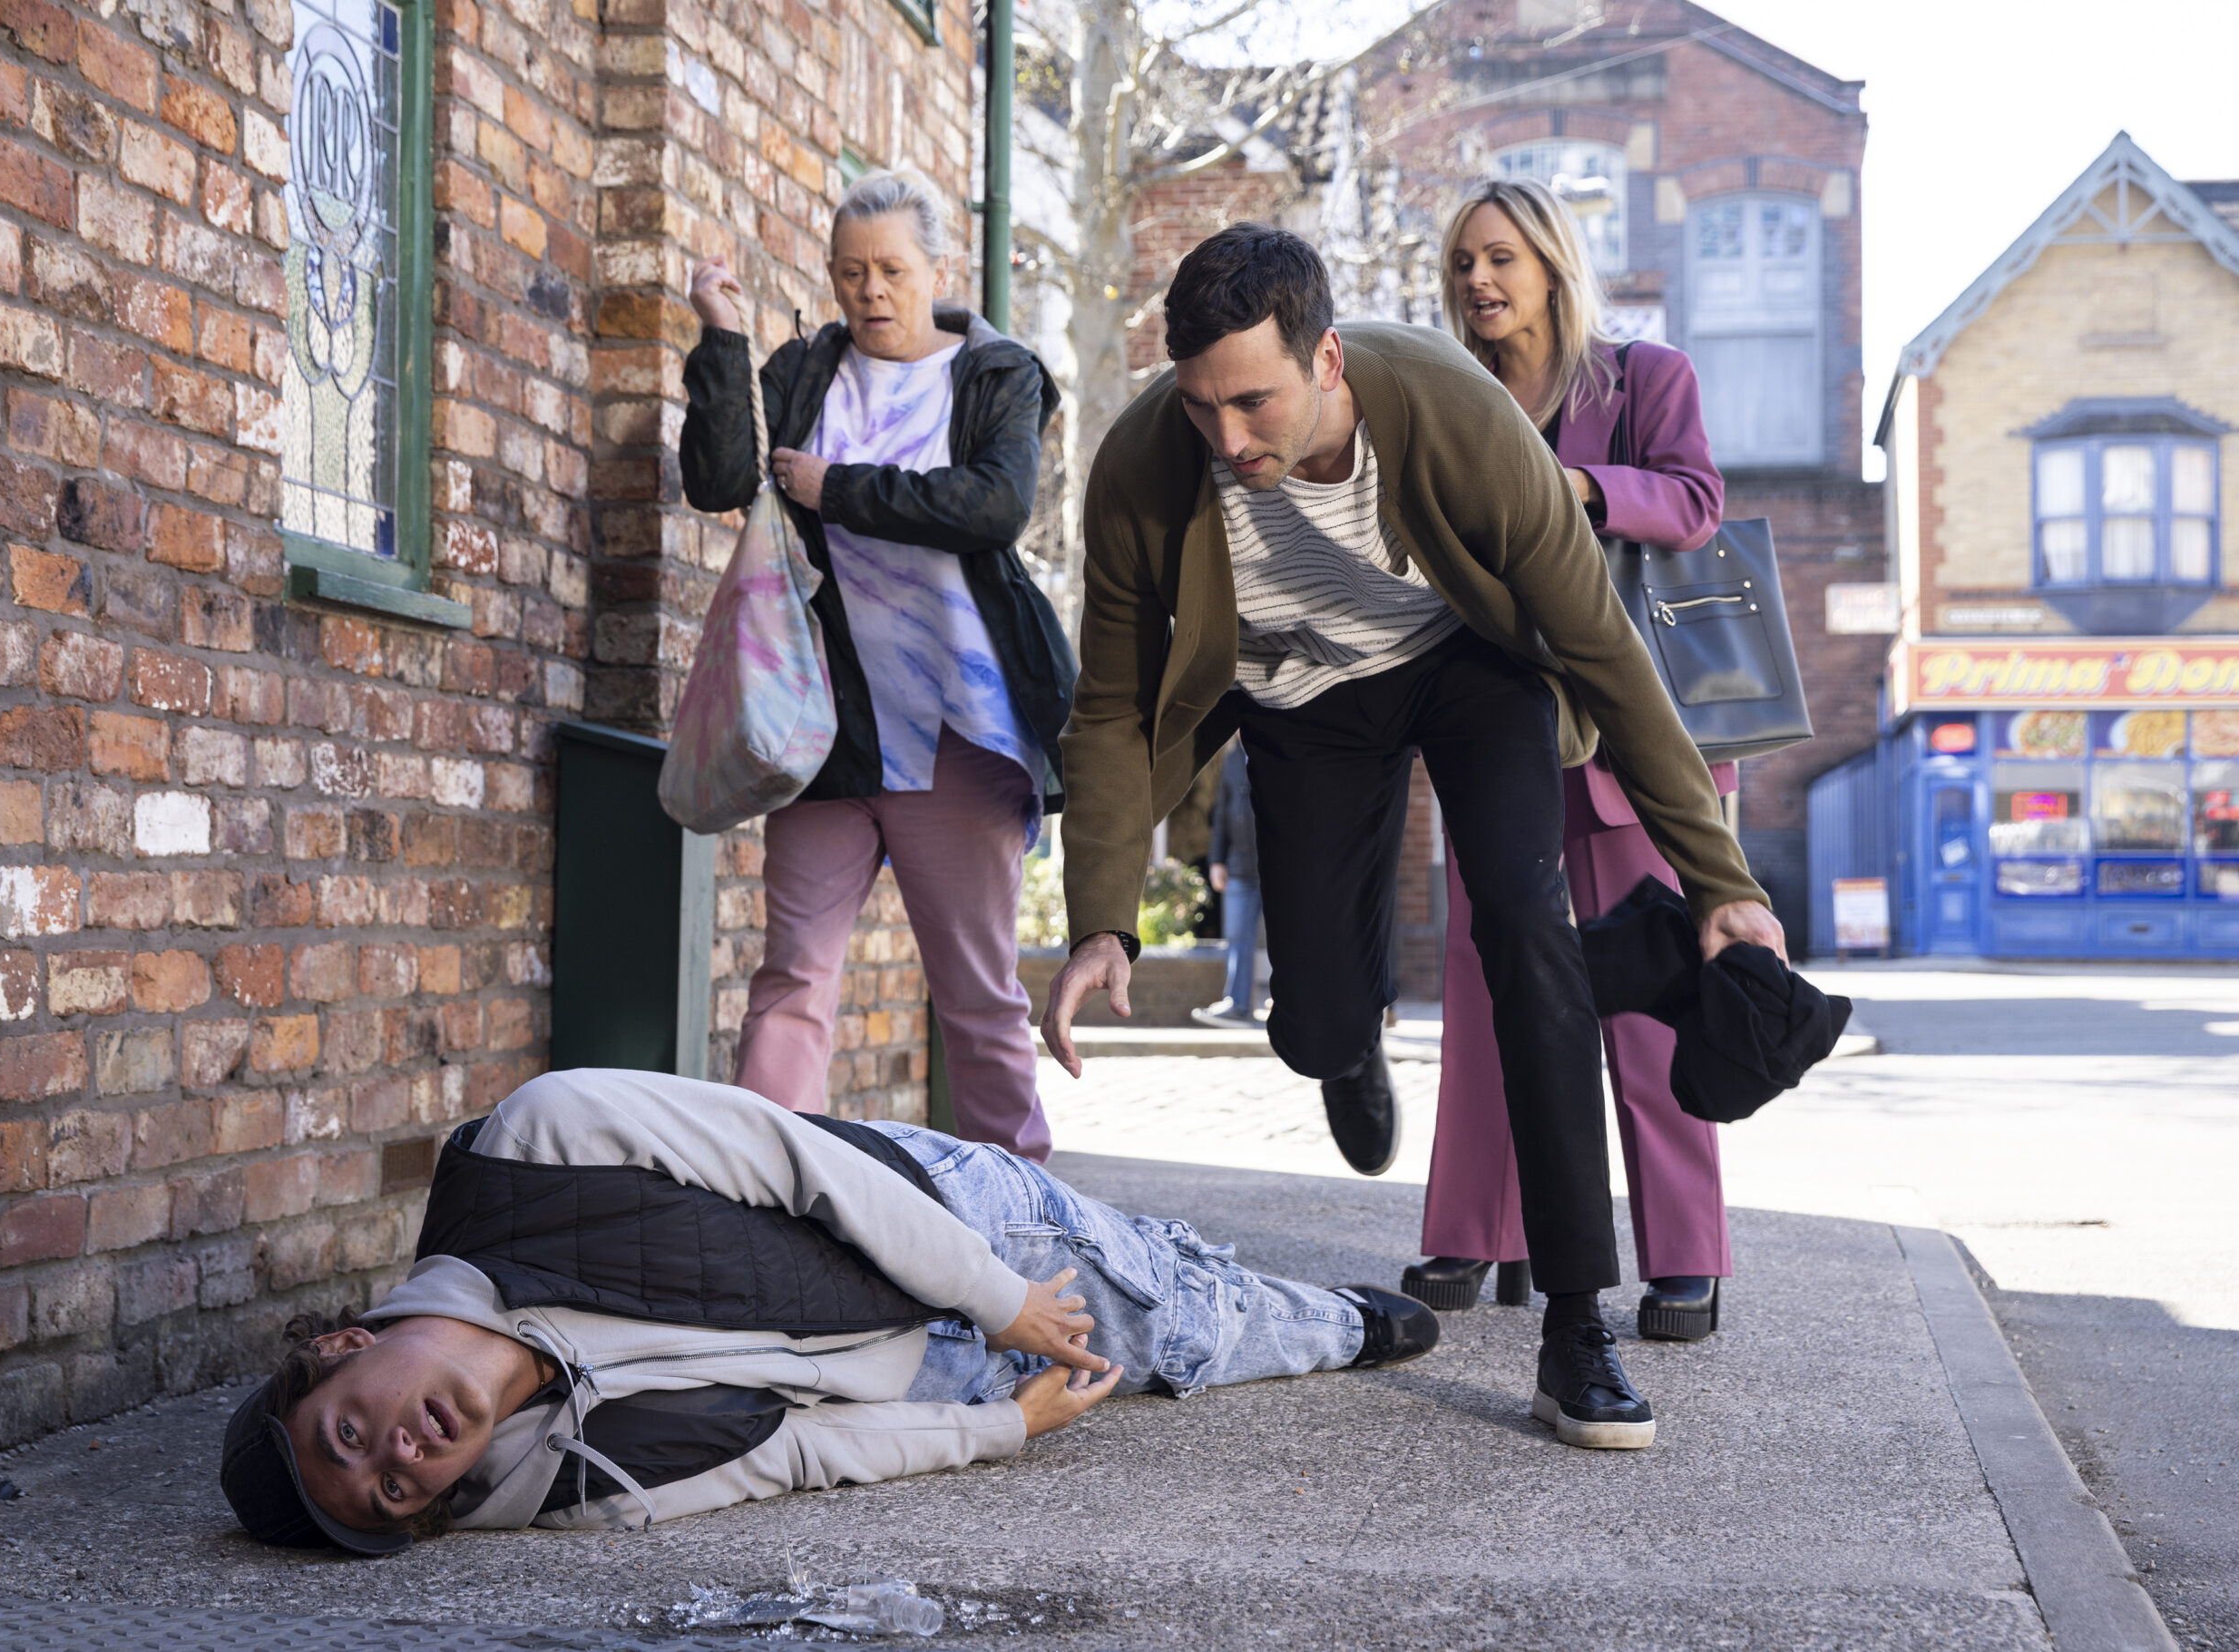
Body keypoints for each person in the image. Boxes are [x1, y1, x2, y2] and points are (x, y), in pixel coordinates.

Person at [1037, 223, 1784, 1451]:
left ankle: (1576, 1329)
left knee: (1527, 933)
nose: (1229, 439)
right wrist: (1101, 920)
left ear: (1327, 357)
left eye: (1254, 401)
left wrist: (1717, 879)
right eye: (1201, 406)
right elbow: (1113, 704)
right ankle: (1346, 1038)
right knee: (1316, 1017)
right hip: (1298, 702)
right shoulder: (1141, 467)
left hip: (1464, 668)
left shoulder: (1454, 412)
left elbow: (1602, 646)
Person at [216, 1070, 1437, 1550]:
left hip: (936, 1226)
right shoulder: (566, 1490)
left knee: (1172, 1311)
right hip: (920, 1374)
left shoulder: (536, 1146)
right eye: (390, 1492)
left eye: (351, 1435)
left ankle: (1331, 1312)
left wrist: (1001, 1298)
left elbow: (801, 1159)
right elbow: (791, 1454)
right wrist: (1000, 1429)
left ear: (339, 1348)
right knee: (1171, 1354)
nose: (400, 1458)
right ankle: (1228, 1288)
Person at [679, 171, 1075, 1161]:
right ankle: (762, 1205)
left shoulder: (994, 374)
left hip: (960, 733)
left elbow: (993, 505)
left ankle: (1027, 1218)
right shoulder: (808, 371)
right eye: (850, 272)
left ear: (935, 268)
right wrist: (723, 343)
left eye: (893, 269)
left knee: (977, 994)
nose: (872, 292)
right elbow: (718, 479)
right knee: (792, 980)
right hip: (828, 732)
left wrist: (837, 487)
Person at [1405, 179, 1738, 1344]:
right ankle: (1471, 1229)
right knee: (1482, 982)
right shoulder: (1449, 400)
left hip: (1626, 736)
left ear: (1550, 264)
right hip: (1494, 725)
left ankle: (1685, 1258)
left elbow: (1696, 503)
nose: (1479, 283)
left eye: (1499, 258)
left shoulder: (1643, 379)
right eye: (1461, 266)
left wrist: (1585, 489)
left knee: (1643, 991)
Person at [1192, 742, 1266, 1029]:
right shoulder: (1233, 758)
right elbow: (1221, 811)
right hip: (1238, 867)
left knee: (1287, 939)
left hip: (1276, 866)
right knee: (1237, 937)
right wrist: (1217, 861)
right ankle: (1237, 1004)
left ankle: (1291, 1005)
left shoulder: (1279, 750)